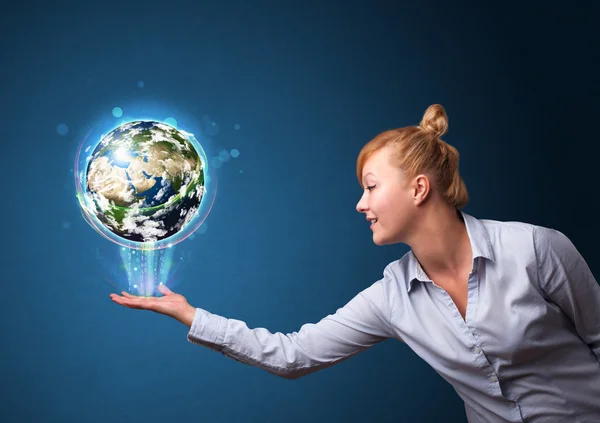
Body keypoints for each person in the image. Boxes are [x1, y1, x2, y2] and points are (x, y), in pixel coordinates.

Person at [110, 104, 600, 422]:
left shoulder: (536, 249)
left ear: (419, 189)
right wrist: (190, 315)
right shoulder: (391, 297)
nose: (360, 205)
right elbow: (294, 355)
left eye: (370, 186)